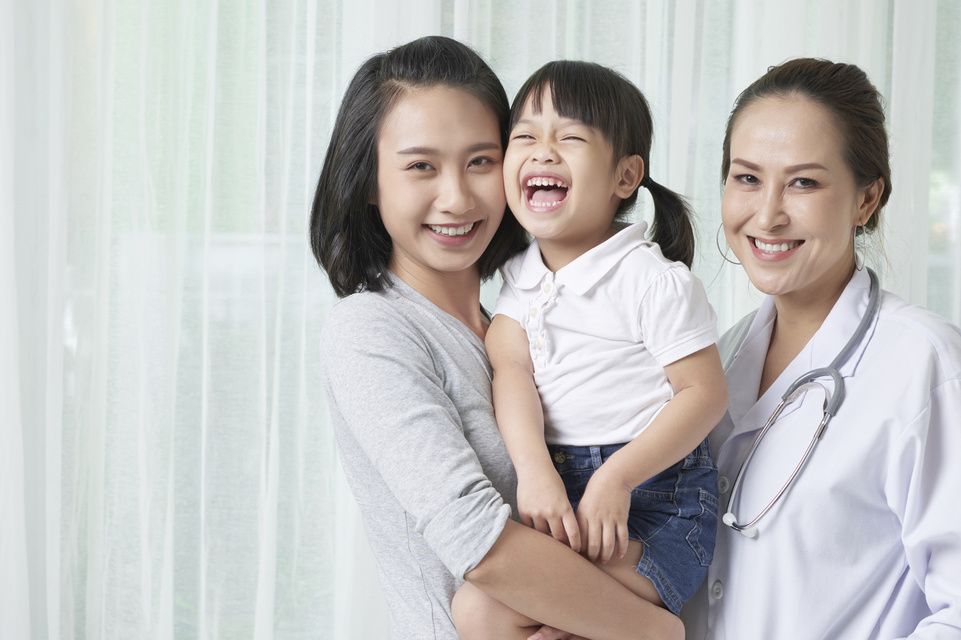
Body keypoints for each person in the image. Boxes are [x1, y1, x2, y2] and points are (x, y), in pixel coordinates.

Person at [313, 36, 684, 640]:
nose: (457, 197)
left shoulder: (523, 326)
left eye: (481, 160)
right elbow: (477, 541)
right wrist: (657, 633)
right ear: (370, 182)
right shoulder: (370, 329)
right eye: (420, 166)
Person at [681, 58, 961, 638]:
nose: (767, 214)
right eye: (747, 178)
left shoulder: (923, 364)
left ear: (866, 200)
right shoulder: (718, 357)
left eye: (803, 182)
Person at [452, 61, 728, 638]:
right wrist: (533, 473)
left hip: (656, 503)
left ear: (625, 177)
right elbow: (510, 372)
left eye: (570, 137)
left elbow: (703, 395)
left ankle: (658, 632)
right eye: (524, 136)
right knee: (479, 612)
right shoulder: (518, 278)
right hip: (559, 494)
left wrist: (616, 480)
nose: (543, 151)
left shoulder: (651, 279)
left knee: (490, 611)